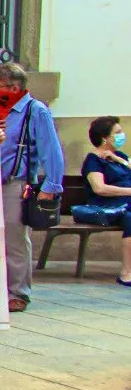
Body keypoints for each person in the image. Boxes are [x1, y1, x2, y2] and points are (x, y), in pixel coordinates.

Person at [0, 62, 65, 313]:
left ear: (14, 87)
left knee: (15, 239)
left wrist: (51, 185)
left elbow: (51, 150)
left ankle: (17, 292)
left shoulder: (36, 111)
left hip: (16, 182)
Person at [80, 116, 131, 287]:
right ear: (104, 138)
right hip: (107, 206)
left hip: (126, 204)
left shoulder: (120, 156)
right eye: (118, 132)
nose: (122, 135)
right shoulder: (93, 160)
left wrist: (120, 161)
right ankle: (127, 273)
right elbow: (99, 188)